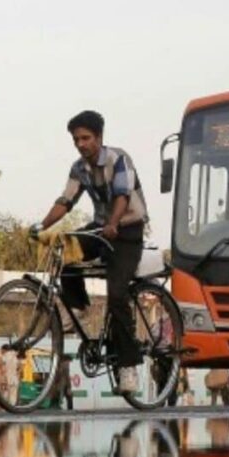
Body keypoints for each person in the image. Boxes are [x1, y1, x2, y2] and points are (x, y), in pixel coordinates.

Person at [34, 110, 149, 394]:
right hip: (101, 229)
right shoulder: (79, 168)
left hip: (128, 231)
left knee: (118, 294)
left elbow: (122, 195)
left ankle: (128, 367)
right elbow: (66, 200)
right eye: (76, 140)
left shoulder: (118, 159)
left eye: (86, 138)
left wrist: (113, 223)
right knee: (66, 248)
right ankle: (79, 307)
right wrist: (41, 225)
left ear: (99, 137)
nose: (81, 144)